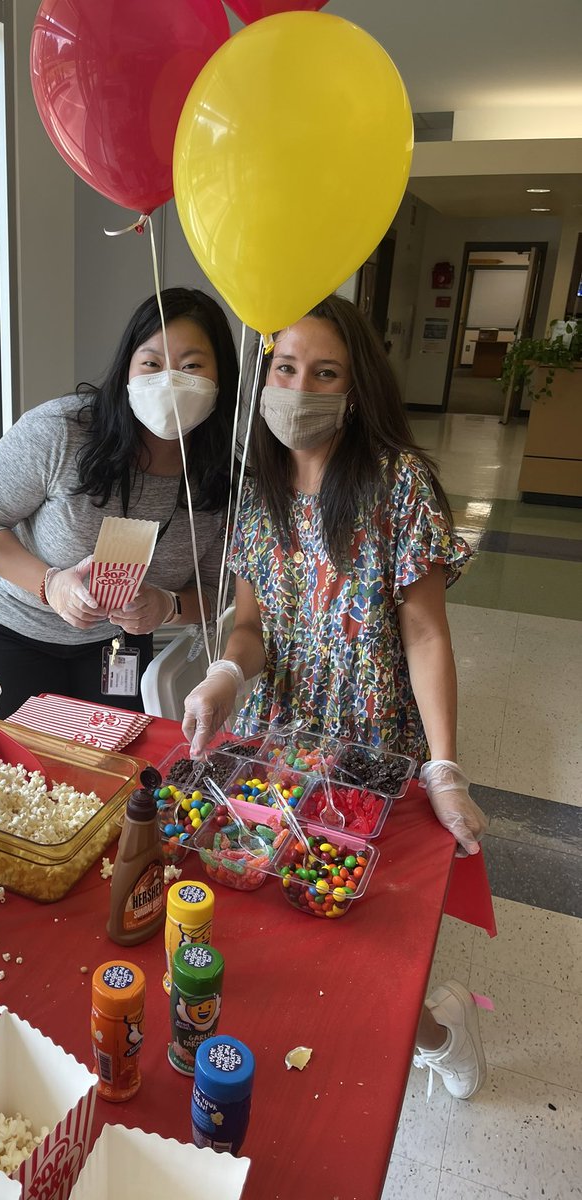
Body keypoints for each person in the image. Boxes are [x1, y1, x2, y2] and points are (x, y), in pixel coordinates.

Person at [181, 294, 488, 1099]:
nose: (300, 386)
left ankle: (440, 1034)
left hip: (371, 749)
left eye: (325, 372)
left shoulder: (397, 487)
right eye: (285, 367)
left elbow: (425, 636)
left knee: (366, 931)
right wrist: (224, 675)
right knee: (278, 909)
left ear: (356, 388)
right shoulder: (257, 492)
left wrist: (445, 767)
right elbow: (250, 627)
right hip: (281, 744)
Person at [0, 287, 238, 719]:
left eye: (192, 365)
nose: (169, 380)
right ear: (127, 369)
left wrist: (168, 605)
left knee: (113, 759)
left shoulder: (222, 478)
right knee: (33, 770)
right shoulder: (62, 432)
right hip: (12, 630)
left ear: (221, 376)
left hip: (117, 644)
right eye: (151, 363)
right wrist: (51, 584)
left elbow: (220, 592)